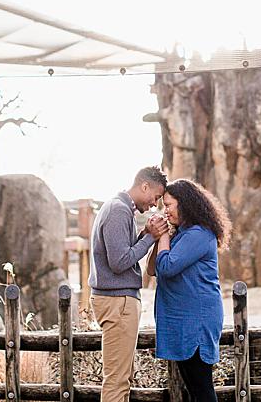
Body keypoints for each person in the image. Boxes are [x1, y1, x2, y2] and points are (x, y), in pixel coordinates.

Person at [147, 179, 232, 402]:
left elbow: (166, 268)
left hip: (197, 320)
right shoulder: (182, 234)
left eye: (169, 205)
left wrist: (164, 235)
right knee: (195, 388)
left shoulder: (199, 234)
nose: (166, 211)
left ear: (184, 204)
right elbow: (152, 268)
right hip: (183, 319)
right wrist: (160, 237)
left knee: (201, 388)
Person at [90, 166, 169, 402]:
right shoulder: (118, 210)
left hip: (118, 301)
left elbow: (120, 251)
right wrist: (150, 238)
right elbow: (119, 262)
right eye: (155, 197)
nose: (155, 204)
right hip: (118, 302)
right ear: (144, 186)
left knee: (121, 378)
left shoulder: (120, 208)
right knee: (117, 381)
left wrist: (143, 234)